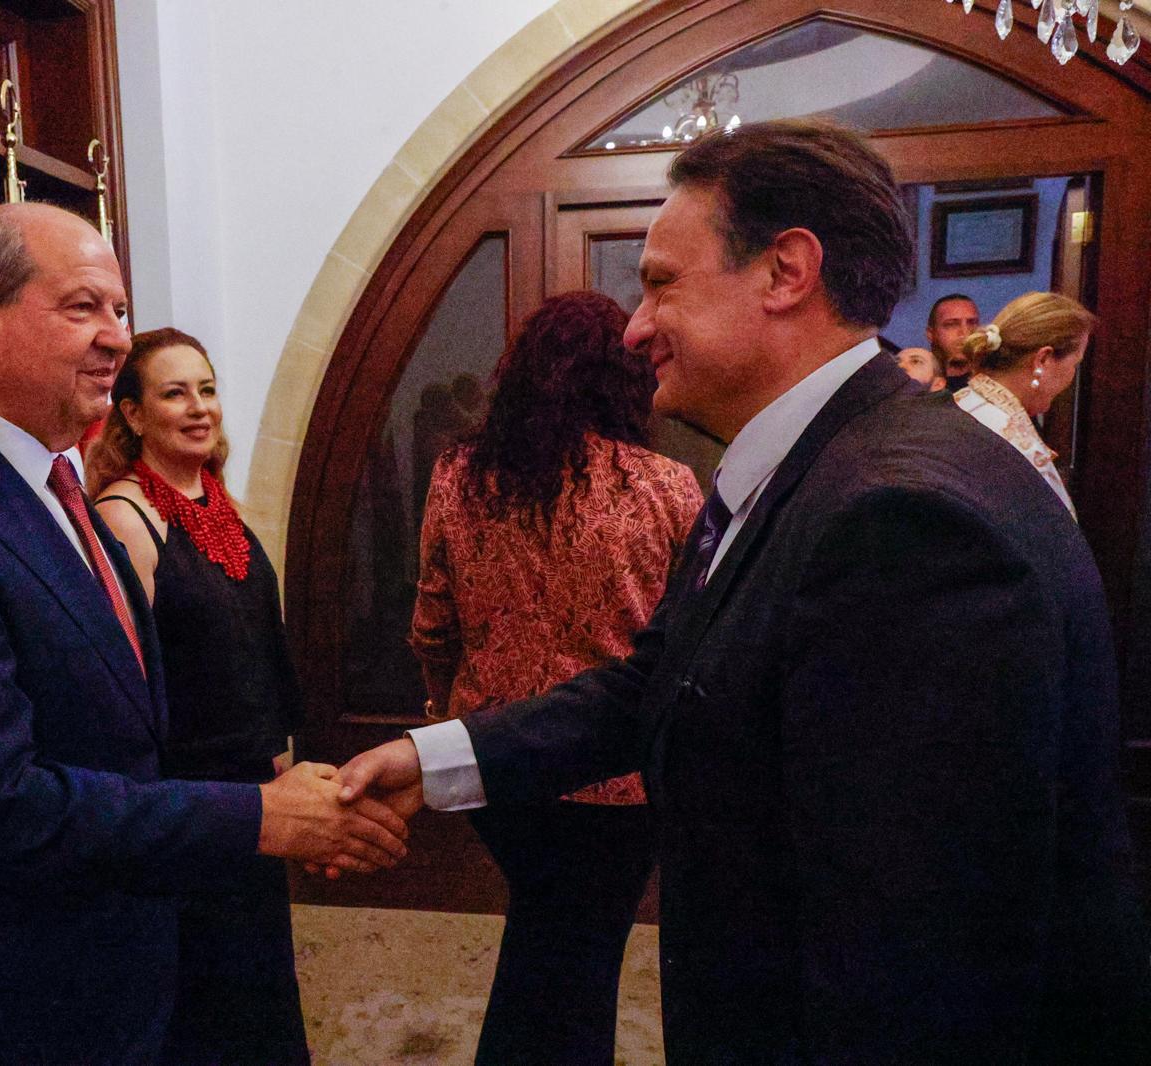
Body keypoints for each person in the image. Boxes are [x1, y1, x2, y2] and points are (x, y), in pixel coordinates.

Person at [335, 121, 1150, 1063]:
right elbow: (657, 680)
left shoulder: (903, 519)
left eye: (661, 284)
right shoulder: (812, 468)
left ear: (785, 272)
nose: (635, 327)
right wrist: (430, 758)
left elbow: (911, 963)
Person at [0, 203, 408, 1065]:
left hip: (132, 944)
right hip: (26, 992)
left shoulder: (54, 480)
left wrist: (280, 796)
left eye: (121, 311)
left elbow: (127, 722)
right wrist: (256, 817)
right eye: (84, 307)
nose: (117, 338)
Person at [410, 290, 702, 1065]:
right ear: (624, 378)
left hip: (495, 759)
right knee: (579, 952)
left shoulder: (460, 475)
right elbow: (691, 640)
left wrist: (442, 708)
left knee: (553, 935)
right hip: (618, 776)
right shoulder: (668, 486)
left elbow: (433, 620)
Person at [86, 327, 310, 1065]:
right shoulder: (125, 517)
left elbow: (256, 640)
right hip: (189, 795)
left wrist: (280, 752)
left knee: (260, 978)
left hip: (253, 781)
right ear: (133, 415)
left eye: (207, 390)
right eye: (175, 393)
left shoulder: (217, 499)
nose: (199, 407)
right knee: (210, 996)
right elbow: (125, 689)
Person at [956, 292, 1094, 519]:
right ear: (1043, 359)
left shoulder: (959, 403)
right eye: (1075, 364)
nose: (1073, 375)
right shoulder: (1015, 447)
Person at [926, 292, 981, 389]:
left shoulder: (996, 381)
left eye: (972, 323)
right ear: (931, 334)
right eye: (951, 324)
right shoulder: (920, 385)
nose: (965, 332)